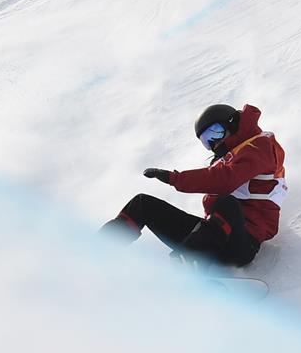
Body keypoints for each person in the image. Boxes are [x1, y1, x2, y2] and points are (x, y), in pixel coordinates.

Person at [100, 103, 286, 267]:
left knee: (227, 203)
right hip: (210, 239)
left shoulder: (259, 146)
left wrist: (175, 178)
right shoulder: (228, 158)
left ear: (232, 123)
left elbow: (225, 179)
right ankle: (98, 251)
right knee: (143, 204)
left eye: (215, 132)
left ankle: (190, 263)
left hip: (241, 244)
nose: (214, 142)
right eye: (207, 140)